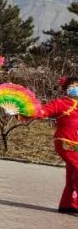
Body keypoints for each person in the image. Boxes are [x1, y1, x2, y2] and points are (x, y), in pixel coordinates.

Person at [31, 77, 78, 213]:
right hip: (65, 142)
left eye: (77, 85)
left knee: (72, 172)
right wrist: (25, 111)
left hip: (76, 143)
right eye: (72, 86)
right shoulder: (60, 103)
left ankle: (67, 205)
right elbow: (42, 111)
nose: (75, 88)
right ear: (66, 89)